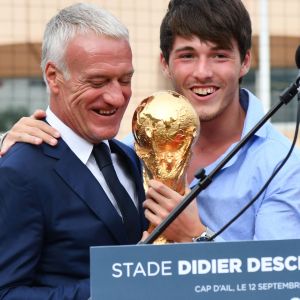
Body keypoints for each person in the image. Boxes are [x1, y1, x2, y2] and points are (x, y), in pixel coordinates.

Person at [2, 0, 300, 243]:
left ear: (245, 61)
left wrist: (196, 238)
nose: (202, 72)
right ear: (165, 64)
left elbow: (280, 286)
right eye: (187, 56)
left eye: (219, 55)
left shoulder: (284, 167)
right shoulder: (128, 152)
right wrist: (12, 146)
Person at [0, 3, 148, 299]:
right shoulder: (18, 171)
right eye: (98, 81)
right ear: (53, 77)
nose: (117, 97)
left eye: (125, 80)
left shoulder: (127, 156)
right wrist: (114, 287)